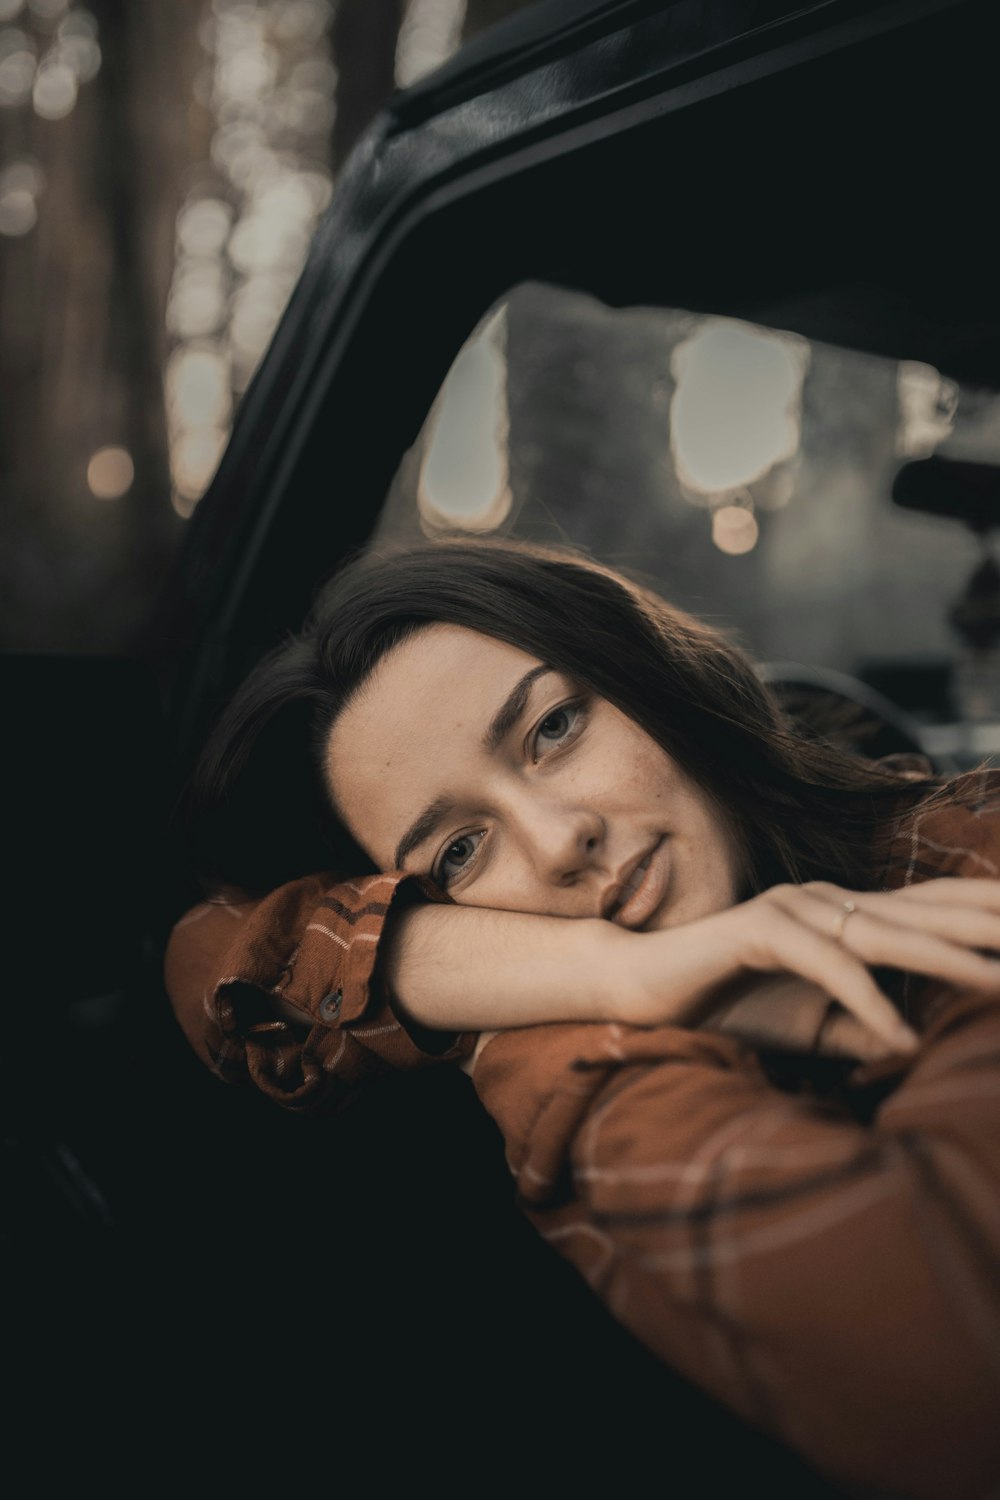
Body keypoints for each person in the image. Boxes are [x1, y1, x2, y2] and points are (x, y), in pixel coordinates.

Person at [166, 536, 1000, 1498]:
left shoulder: (961, 853)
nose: (563, 840)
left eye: (556, 727)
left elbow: (959, 1366)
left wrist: (547, 1001)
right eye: (460, 853)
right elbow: (208, 950)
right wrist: (611, 975)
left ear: (649, 681)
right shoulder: (546, 1013)